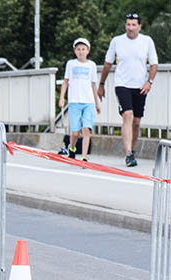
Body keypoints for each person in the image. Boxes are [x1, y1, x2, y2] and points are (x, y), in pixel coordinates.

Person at [97, 13, 158, 167]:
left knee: (136, 122)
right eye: (128, 25)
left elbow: (154, 64)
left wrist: (149, 82)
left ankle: (132, 148)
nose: (130, 28)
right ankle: (128, 154)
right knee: (127, 115)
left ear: (139, 26)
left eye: (133, 25)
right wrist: (101, 84)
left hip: (140, 86)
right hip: (122, 84)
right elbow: (107, 64)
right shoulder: (117, 41)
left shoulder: (147, 41)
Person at [59, 38, 100, 163]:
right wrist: (62, 97)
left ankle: (84, 156)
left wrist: (97, 103)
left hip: (88, 102)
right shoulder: (71, 64)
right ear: (75, 51)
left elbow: (93, 84)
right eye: (78, 49)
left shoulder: (91, 65)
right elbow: (66, 81)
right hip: (74, 101)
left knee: (86, 129)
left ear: (88, 50)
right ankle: (72, 148)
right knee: (75, 133)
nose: (81, 52)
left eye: (83, 49)